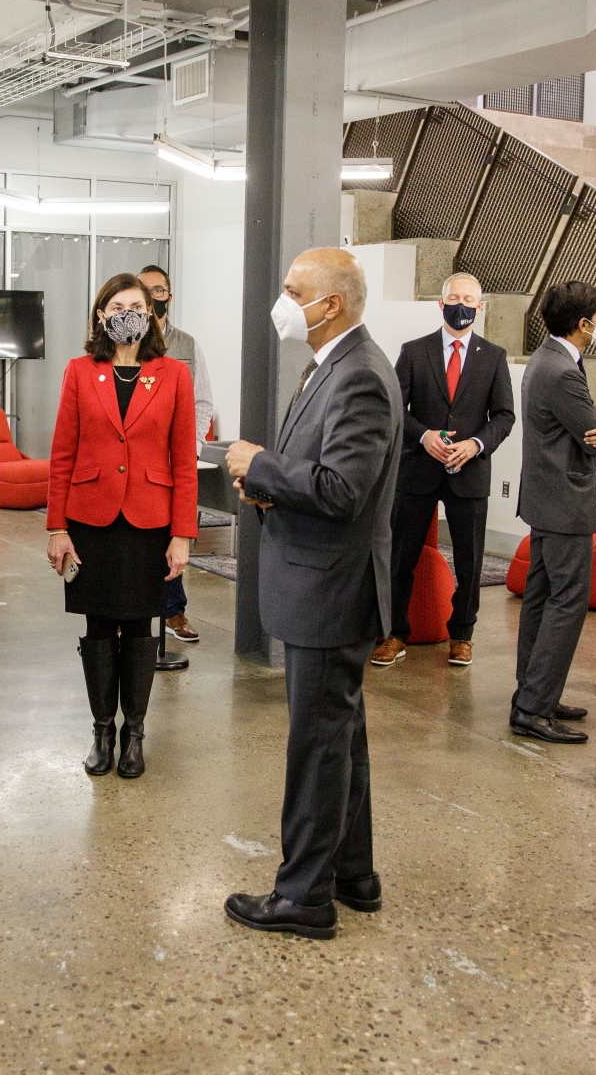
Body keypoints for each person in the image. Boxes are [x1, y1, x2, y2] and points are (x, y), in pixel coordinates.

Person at [221, 248, 400, 941]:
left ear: (332, 305)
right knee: (340, 739)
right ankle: (352, 874)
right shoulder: (331, 365)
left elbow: (342, 490)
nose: (284, 302)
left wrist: (261, 464)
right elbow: (322, 471)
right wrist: (269, 485)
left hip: (331, 589)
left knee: (319, 748)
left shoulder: (360, 376)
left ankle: (303, 896)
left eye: (295, 292)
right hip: (324, 580)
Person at [45, 273, 198, 779]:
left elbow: (184, 462)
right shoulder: (79, 371)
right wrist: (56, 527)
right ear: (101, 315)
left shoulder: (174, 374)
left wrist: (182, 535)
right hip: (90, 519)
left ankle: (134, 733)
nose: (128, 313)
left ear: (150, 315)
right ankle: (102, 731)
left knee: (139, 625)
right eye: (118, 306)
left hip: (149, 520)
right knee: (97, 625)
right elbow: (62, 454)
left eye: (138, 306)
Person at [372, 273, 515, 669]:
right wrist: (423, 436)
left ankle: (462, 636)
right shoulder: (414, 351)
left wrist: (476, 444)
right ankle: (394, 633)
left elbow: (504, 416)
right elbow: (394, 409)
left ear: (480, 307)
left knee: (469, 560)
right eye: (454, 298)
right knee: (400, 556)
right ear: (440, 303)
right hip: (418, 470)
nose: (461, 306)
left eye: (469, 300)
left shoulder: (494, 357)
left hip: (469, 473)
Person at [511, 280, 596, 746]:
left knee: (541, 599)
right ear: (583, 324)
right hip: (564, 505)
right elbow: (593, 434)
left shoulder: (548, 358)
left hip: (546, 502)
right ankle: (534, 709)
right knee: (567, 603)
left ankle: (534, 693)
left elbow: (588, 421)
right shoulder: (561, 371)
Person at [136, 264, 215, 645]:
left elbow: (202, 402)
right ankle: (128, 612)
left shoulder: (187, 345)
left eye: (159, 290)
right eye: (145, 290)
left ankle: (172, 611)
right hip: (138, 461)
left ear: (169, 296)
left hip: (174, 461)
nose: (153, 297)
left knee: (174, 535)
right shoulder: (127, 343)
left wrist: (192, 448)